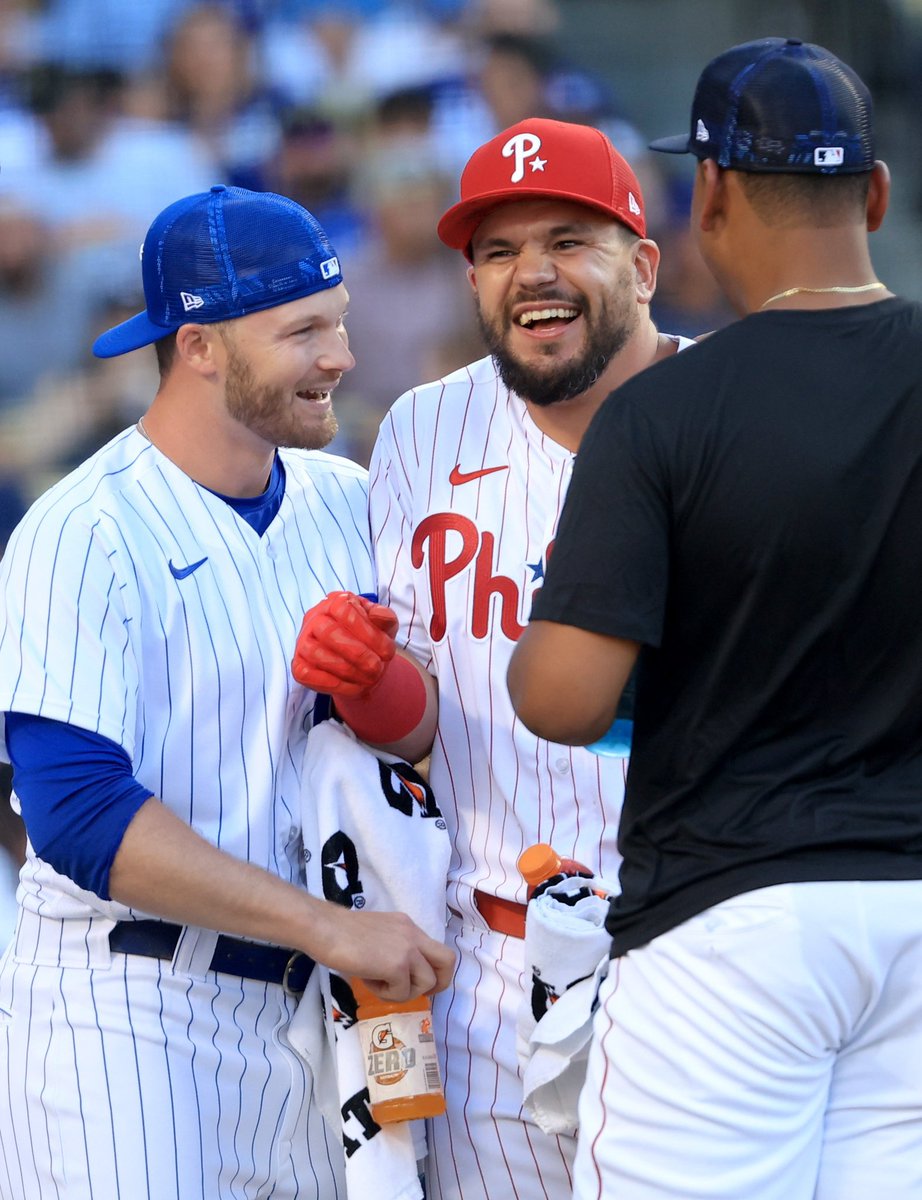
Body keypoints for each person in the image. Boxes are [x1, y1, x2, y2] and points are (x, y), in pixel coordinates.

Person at [507, 38, 922, 1200]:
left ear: (711, 194)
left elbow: (562, 699)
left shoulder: (662, 413)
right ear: (877, 194)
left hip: (732, 918)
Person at [0, 183, 453, 1200]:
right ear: (199, 346)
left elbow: (427, 736)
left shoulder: (348, 498)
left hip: (330, 1017)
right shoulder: (84, 531)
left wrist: (387, 686)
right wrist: (326, 926)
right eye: (302, 330)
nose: (339, 355)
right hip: (129, 1012)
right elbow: (76, 815)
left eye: (336, 322)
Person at [315, 116, 693, 1200]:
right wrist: (372, 683)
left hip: (690, 943)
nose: (532, 272)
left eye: (568, 238)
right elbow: (421, 713)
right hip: (488, 961)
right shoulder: (423, 427)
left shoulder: (735, 409)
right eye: (496, 249)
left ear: (643, 260)